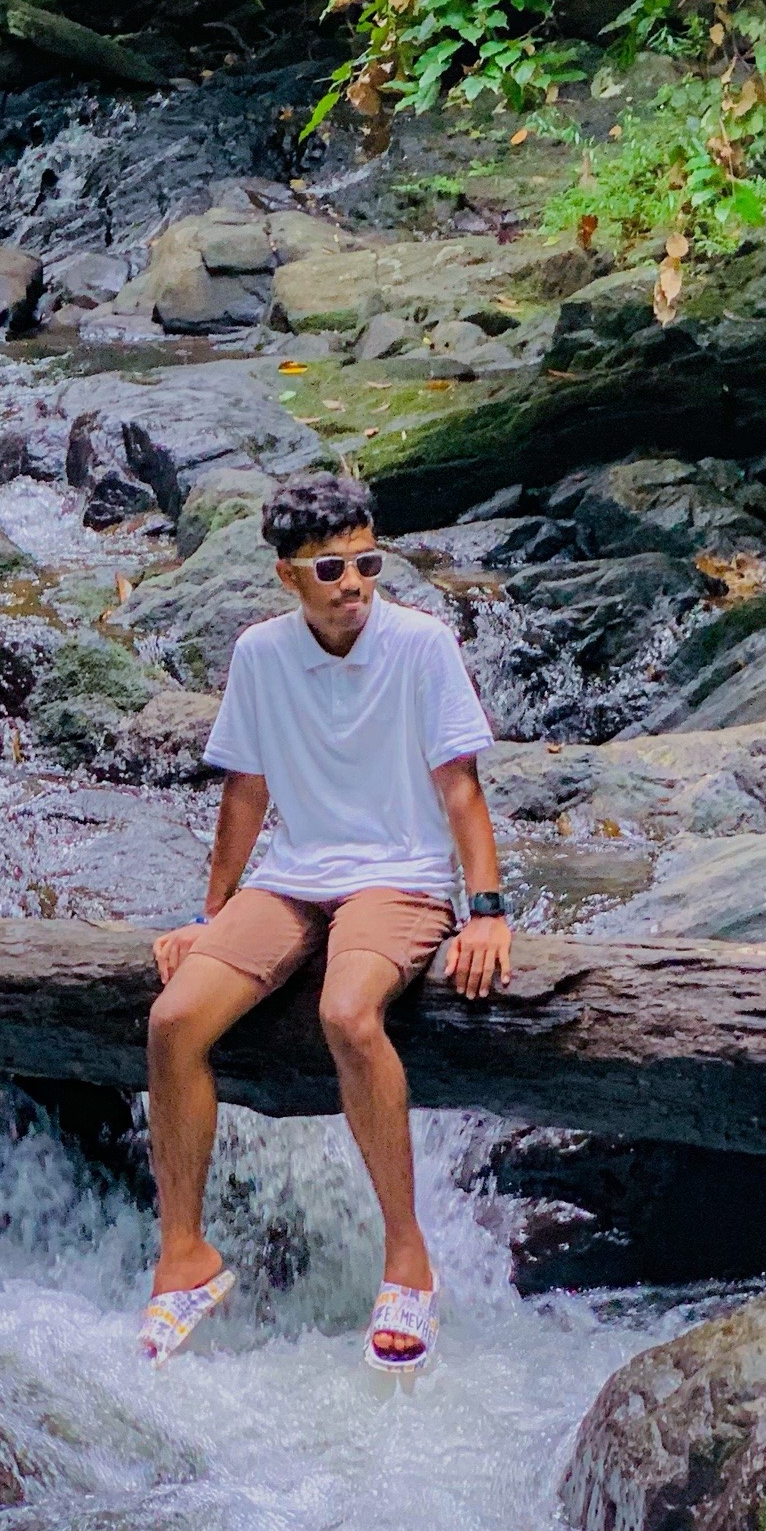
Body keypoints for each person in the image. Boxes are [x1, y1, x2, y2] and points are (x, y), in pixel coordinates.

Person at [140, 469, 510, 1375]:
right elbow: (247, 792)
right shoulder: (260, 655)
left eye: (367, 563)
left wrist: (487, 913)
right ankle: (184, 1255)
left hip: (400, 877)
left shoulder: (421, 645)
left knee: (347, 1012)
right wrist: (210, 915)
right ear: (288, 576)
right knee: (174, 1020)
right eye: (331, 569)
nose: (354, 584)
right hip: (294, 876)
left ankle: (408, 1259)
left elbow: (460, 787)